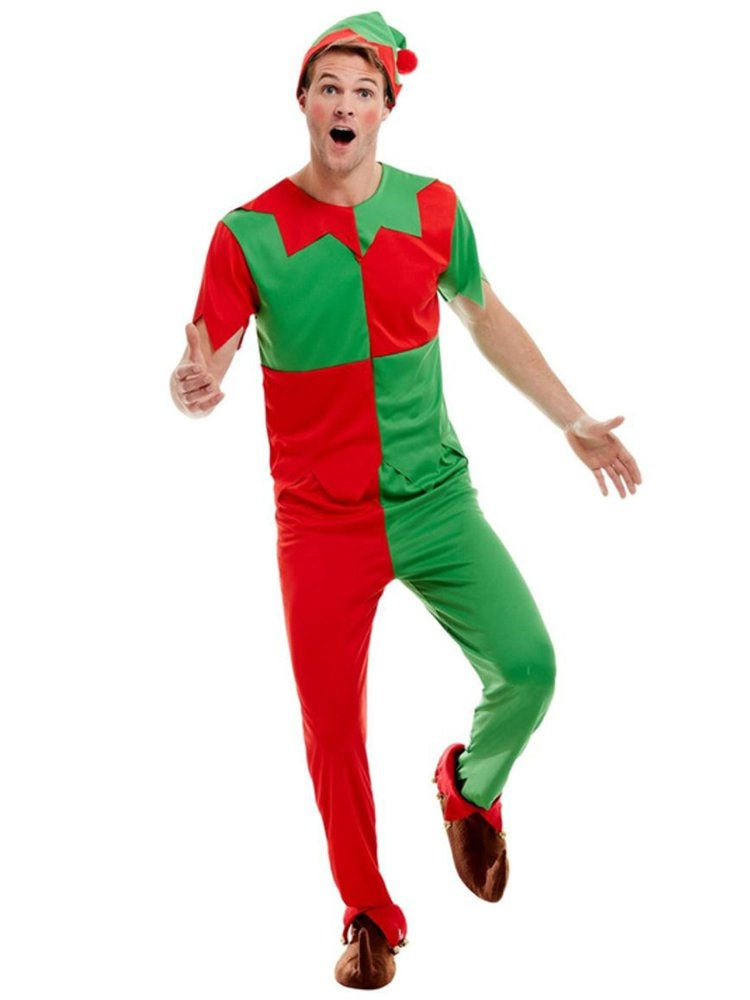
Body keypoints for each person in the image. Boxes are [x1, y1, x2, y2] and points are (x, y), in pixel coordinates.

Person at [169, 11, 642, 991]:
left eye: (363, 90)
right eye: (328, 88)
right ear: (303, 102)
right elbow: (210, 348)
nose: (344, 105)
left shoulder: (433, 208)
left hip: (433, 498)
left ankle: (469, 789)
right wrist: (194, 381)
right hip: (320, 521)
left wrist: (571, 419)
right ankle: (367, 913)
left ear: (386, 108)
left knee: (530, 667)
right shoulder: (248, 232)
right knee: (332, 730)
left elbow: (485, 313)